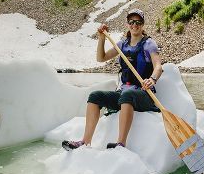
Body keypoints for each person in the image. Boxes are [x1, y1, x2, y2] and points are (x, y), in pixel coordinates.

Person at [62, 10, 163, 150]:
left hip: (144, 95)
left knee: (127, 95)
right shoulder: (122, 44)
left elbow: (158, 66)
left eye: (138, 22)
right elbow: (101, 58)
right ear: (127, 24)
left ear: (143, 24)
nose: (135, 25)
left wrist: (152, 79)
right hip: (124, 93)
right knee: (95, 96)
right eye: (132, 22)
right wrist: (102, 38)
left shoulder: (149, 44)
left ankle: (121, 143)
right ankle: (85, 141)